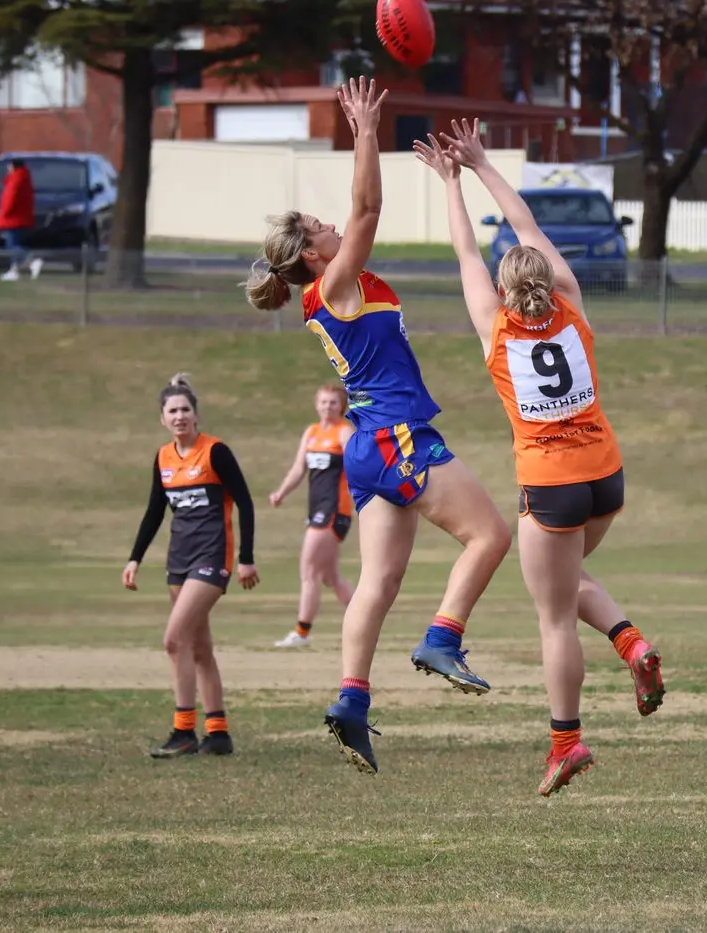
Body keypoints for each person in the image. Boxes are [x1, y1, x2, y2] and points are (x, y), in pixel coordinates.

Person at [244, 77, 511, 776]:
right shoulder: (333, 285)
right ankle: (442, 638)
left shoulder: (333, 290)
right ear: (310, 253)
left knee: (378, 582)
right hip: (396, 435)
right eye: (319, 227)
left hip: (368, 445)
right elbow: (367, 206)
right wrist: (365, 129)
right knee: (490, 535)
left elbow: (357, 217)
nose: (333, 225)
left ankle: (351, 701)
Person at [415, 120, 665, 796]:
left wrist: (450, 182)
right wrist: (481, 163)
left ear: (504, 290)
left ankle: (565, 742)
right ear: (549, 279)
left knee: (553, 615)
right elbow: (525, 224)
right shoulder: (573, 305)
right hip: (604, 475)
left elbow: (465, 250)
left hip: (550, 486)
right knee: (567, 579)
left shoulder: (495, 329)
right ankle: (632, 643)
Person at [122, 373, 260, 759]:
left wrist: (246, 558)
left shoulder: (215, 452)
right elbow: (154, 511)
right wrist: (135, 558)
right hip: (178, 561)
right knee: (199, 647)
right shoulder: (163, 457)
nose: (179, 416)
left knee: (174, 640)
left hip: (212, 557)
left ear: (196, 415)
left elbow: (245, 503)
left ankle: (183, 730)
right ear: (162, 419)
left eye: (185, 409)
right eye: (172, 411)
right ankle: (218, 733)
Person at [270, 383, 357, 648]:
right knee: (331, 577)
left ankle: (301, 632)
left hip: (334, 510)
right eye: (323, 402)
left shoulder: (344, 432)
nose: (328, 407)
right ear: (316, 404)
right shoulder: (311, 432)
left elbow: (358, 466)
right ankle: (368, 618)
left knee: (308, 570)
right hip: (316, 509)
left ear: (342, 406)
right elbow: (299, 468)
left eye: (333, 402)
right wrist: (281, 492)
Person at [0, 158, 43, 282]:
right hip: (21, 217)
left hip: (13, 218)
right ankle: (14, 270)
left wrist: (3, 214)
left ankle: (32, 261)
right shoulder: (24, 179)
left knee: (11, 246)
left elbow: (10, 199)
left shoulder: (15, 180)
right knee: (14, 244)